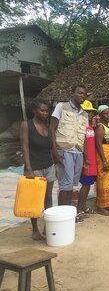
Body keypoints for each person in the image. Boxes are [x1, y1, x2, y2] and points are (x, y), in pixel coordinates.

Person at [20, 98, 56, 240]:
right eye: (42, 110)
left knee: (48, 198)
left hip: (49, 166)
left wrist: (55, 165)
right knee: (34, 200)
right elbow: (25, 147)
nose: (45, 113)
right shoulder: (26, 125)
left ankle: (48, 227)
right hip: (34, 168)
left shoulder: (47, 126)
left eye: (47, 110)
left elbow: (51, 147)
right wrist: (28, 168)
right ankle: (35, 230)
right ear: (34, 110)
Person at [50, 84, 88, 206]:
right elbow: (52, 128)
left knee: (71, 185)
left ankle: (67, 214)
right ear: (73, 93)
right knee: (65, 186)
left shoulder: (85, 114)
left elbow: (84, 137)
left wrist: (85, 157)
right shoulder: (61, 107)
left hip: (78, 153)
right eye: (79, 93)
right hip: (64, 151)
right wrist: (55, 152)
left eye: (84, 94)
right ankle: (62, 214)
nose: (82, 95)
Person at [77, 100, 98, 221]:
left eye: (90, 112)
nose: (88, 114)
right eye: (86, 111)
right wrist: (85, 158)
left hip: (92, 159)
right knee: (85, 185)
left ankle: (84, 206)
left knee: (89, 184)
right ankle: (79, 209)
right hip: (87, 159)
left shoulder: (90, 125)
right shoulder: (81, 126)